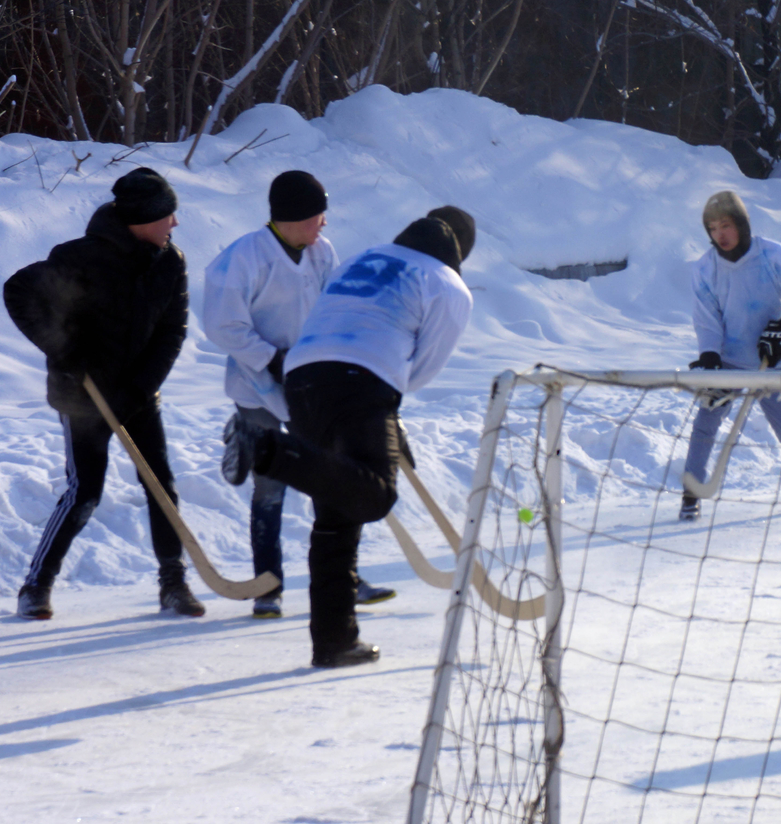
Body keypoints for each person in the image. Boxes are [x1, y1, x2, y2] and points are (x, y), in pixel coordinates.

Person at [222, 207, 475, 667]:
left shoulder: (366, 257)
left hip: (301, 376)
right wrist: (384, 409)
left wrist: (386, 422)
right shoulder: (446, 283)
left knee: (336, 515)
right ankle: (265, 446)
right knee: (374, 496)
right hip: (360, 380)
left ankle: (335, 641)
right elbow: (420, 371)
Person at [6, 167, 205, 621]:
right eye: (167, 216)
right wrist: (64, 348)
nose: (174, 224)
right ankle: (36, 585)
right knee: (85, 491)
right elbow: (17, 290)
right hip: (83, 394)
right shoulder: (80, 258)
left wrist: (140, 388)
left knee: (161, 485)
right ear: (141, 219)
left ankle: (172, 582)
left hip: (137, 392)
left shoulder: (170, 262)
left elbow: (173, 330)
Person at [208, 170, 395, 618]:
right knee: (270, 485)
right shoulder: (243, 259)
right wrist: (271, 358)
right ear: (290, 219)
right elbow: (223, 324)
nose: (324, 224)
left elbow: (334, 308)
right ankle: (267, 585)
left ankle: (343, 575)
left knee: (330, 476)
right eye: (316, 215)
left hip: (312, 385)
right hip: (258, 388)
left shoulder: (321, 253)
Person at [681, 190, 781, 520]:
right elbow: (707, 319)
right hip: (729, 363)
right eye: (713, 228)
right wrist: (710, 360)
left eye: (726, 225)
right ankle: (691, 495)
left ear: (743, 225)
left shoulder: (774, 256)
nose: (720, 234)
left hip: (775, 364)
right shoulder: (706, 269)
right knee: (704, 425)